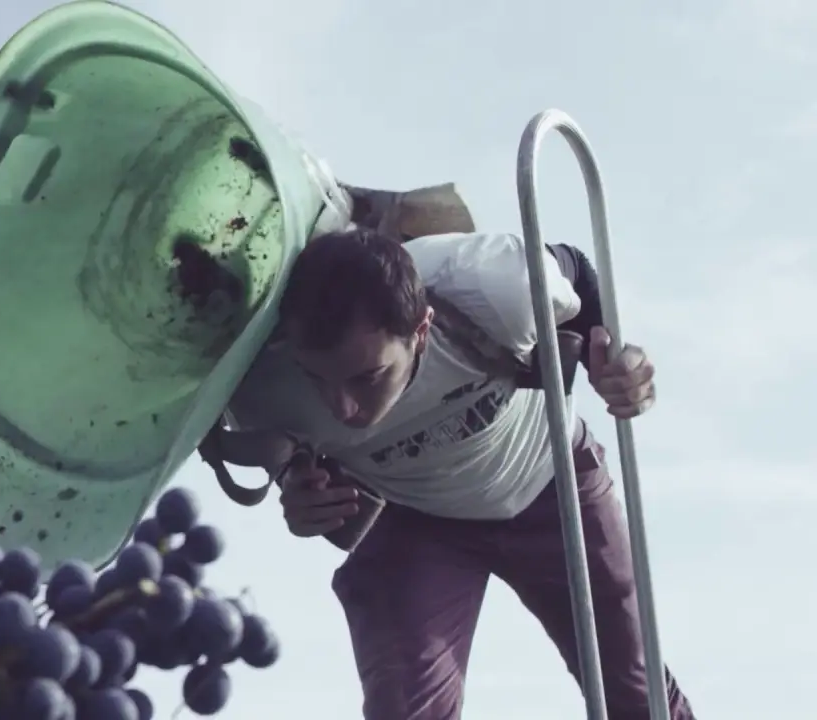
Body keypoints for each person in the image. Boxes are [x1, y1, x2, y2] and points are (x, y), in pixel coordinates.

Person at [221, 224, 696, 720]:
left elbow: (575, 270)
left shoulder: (492, 285)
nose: (344, 408)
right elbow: (283, 452)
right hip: (417, 520)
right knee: (405, 710)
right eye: (320, 380)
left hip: (545, 479)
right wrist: (297, 489)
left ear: (420, 330)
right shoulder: (266, 389)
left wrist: (615, 360)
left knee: (638, 693)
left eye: (368, 377)